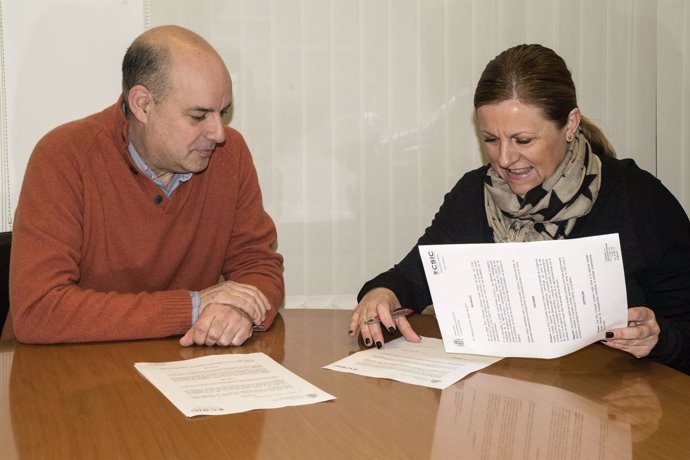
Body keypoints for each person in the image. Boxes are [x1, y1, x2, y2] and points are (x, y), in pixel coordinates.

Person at [349, 44, 690, 375]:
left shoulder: (638, 199)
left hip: (624, 411)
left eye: (523, 140)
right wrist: (381, 294)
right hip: (506, 404)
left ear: (570, 124)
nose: (504, 159)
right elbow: (409, 279)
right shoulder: (474, 195)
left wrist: (658, 337)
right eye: (491, 139)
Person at [8, 25, 284, 346]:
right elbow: (38, 310)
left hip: (182, 369)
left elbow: (258, 264)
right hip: (66, 374)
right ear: (142, 105)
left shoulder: (229, 155)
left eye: (222, 113)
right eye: (198, 116)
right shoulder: (64, 157)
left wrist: (240, 310)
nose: (219, 134)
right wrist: (193, 307)